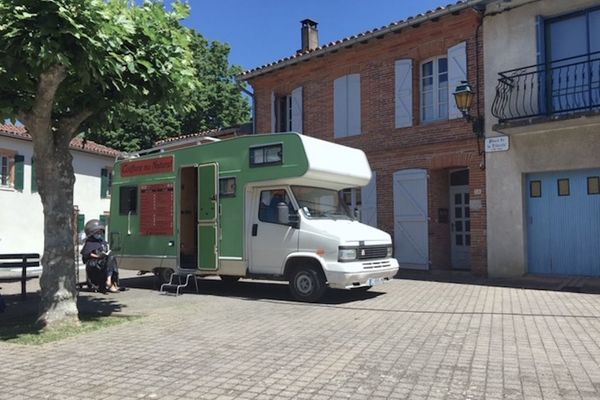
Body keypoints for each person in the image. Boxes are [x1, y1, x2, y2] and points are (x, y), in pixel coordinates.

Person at [81, 219, 119, 293]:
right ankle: (110, 283)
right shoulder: (89, 242)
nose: (99, 234)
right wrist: (97, 256)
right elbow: (86, 254)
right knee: (110, 259)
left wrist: (105, 254)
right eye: (97, 232)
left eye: (100, 232)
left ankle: (109, 280)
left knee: (111, 257)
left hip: (102, 260)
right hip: (93, 261)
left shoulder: (102, 241)